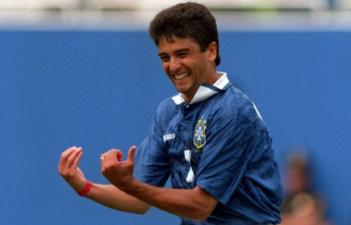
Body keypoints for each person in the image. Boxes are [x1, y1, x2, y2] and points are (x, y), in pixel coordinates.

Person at [58, 2, 282, 224]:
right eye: (165, 57)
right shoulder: (168, 112)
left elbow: (200, 206)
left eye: (182, 54)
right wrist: (84, 186)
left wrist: (130, 185)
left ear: (211, 51)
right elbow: (138, 200)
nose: (173, 66)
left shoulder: (233, 111)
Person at [280, 150, 331, 225]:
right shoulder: (279, 203)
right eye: (292, 176)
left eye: (299, 176)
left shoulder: (317, 201)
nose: (295, 180)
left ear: (307, 176)